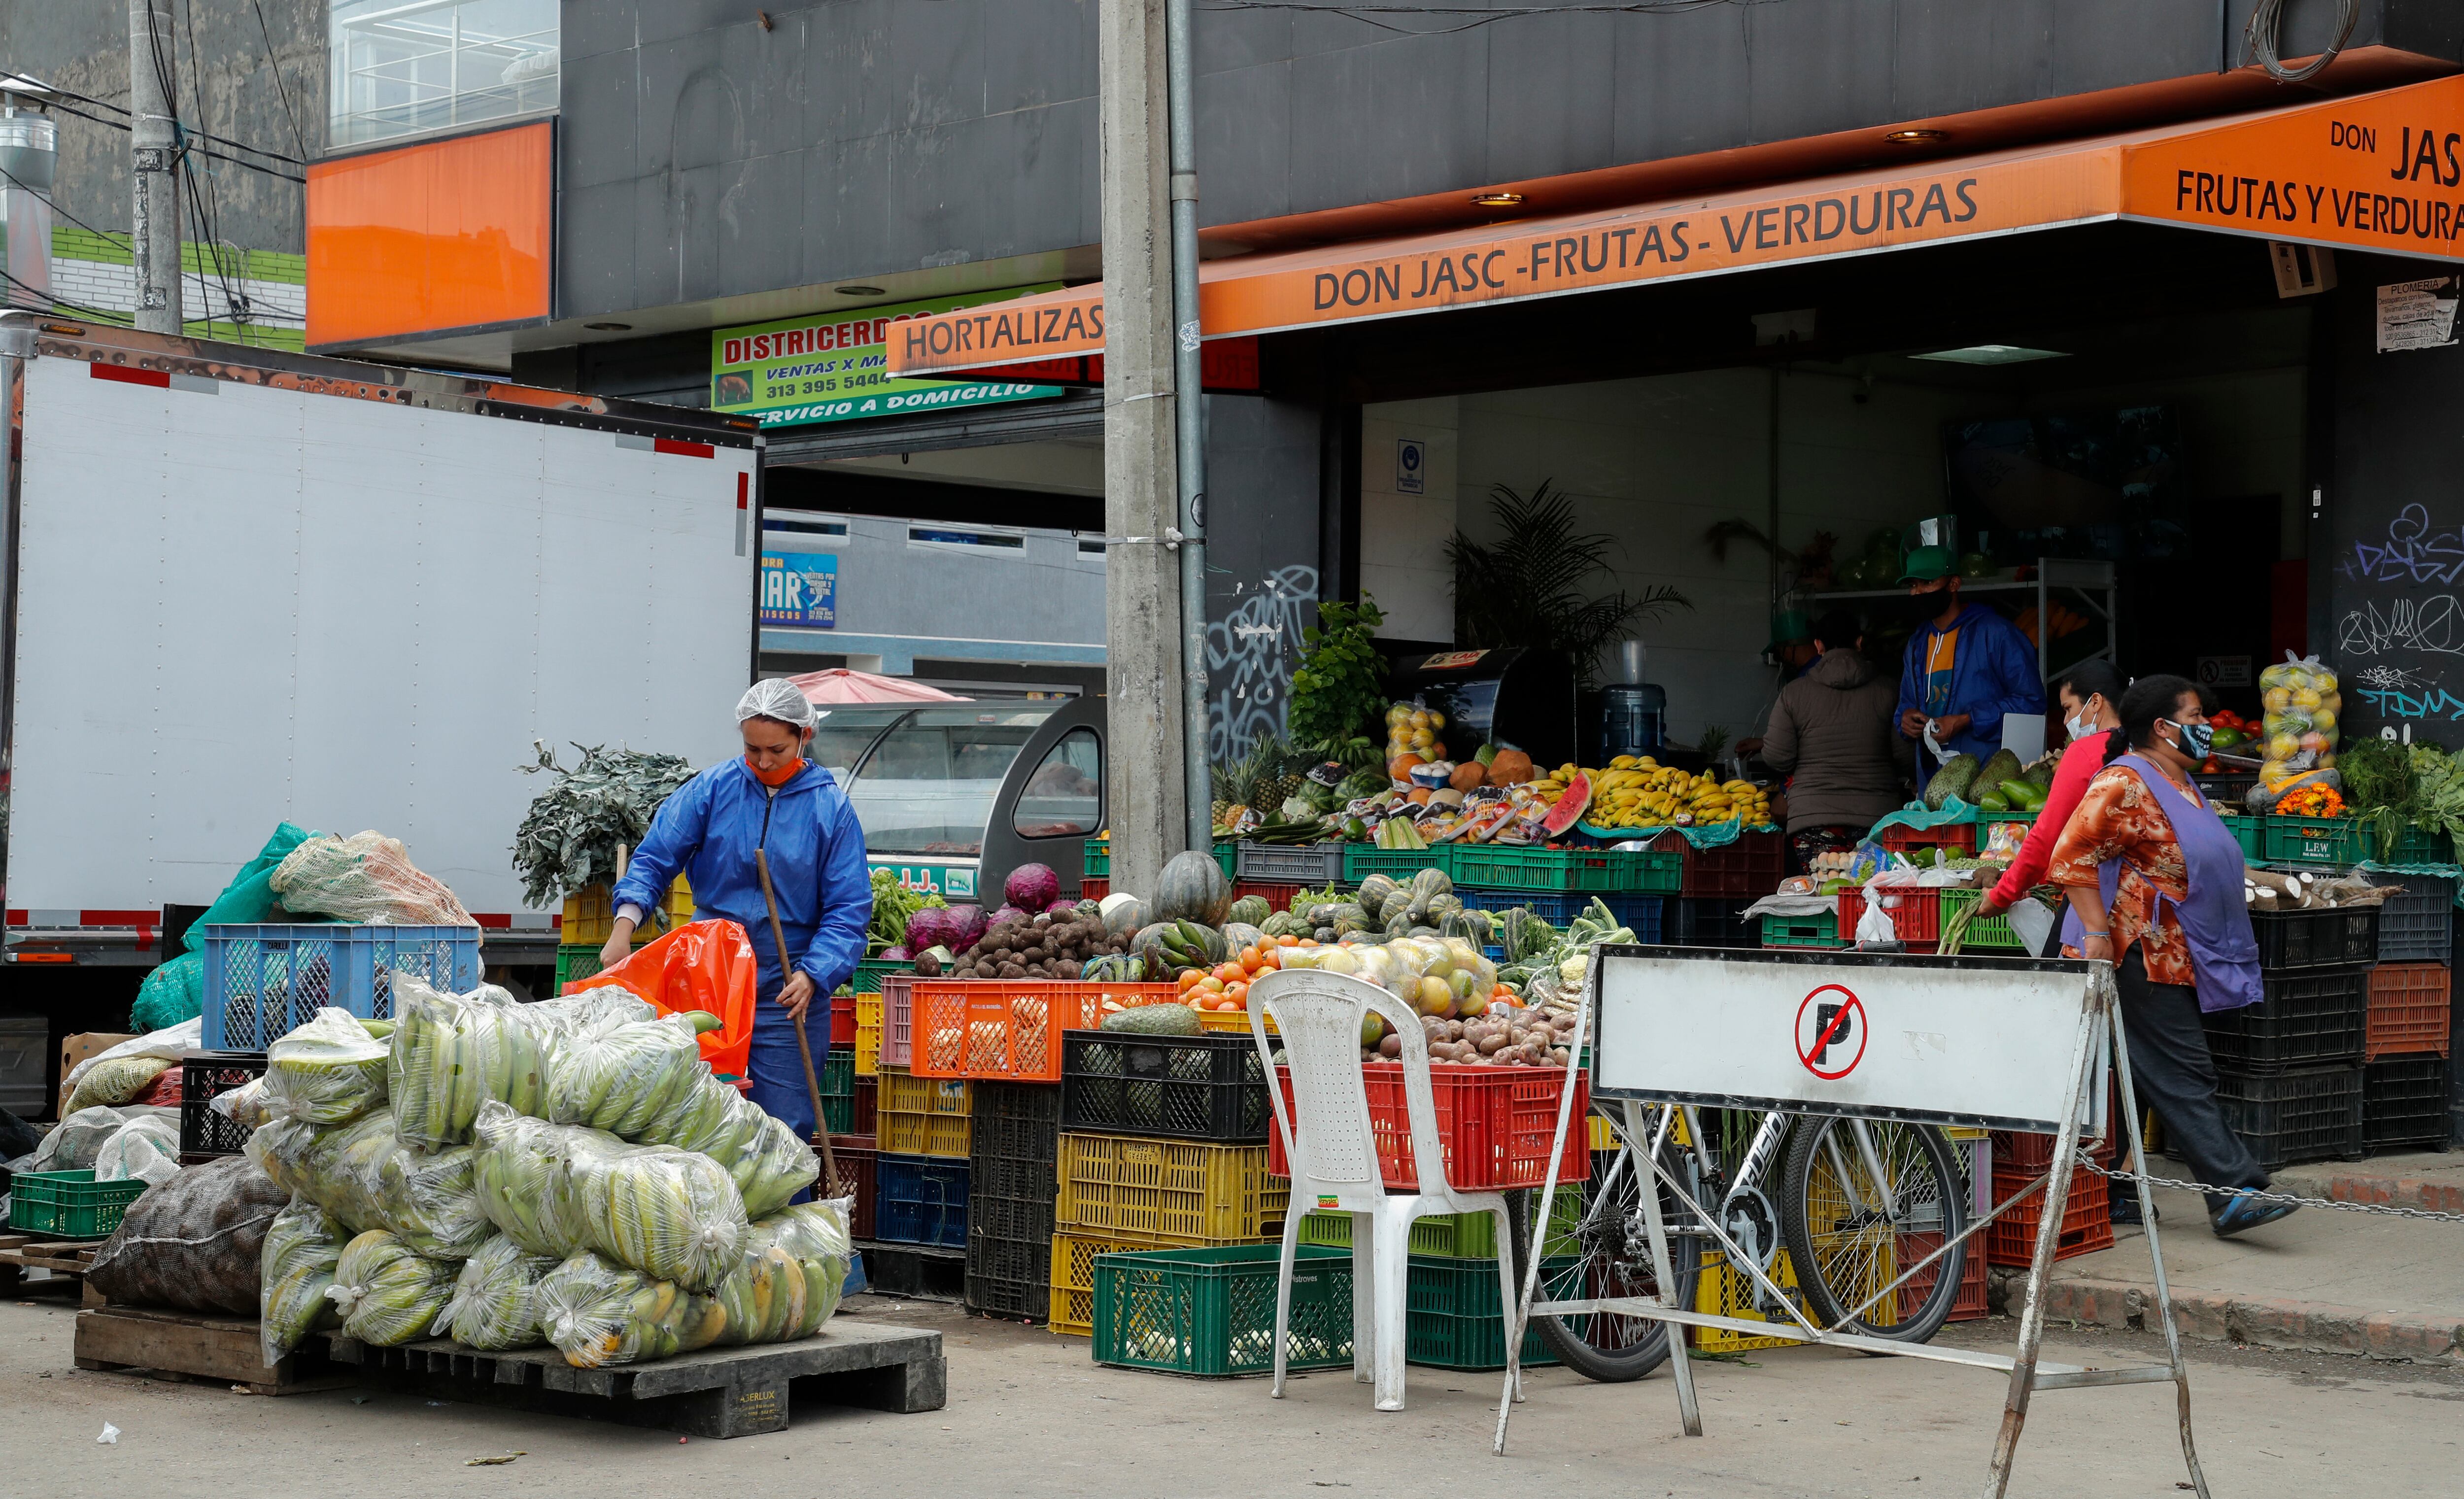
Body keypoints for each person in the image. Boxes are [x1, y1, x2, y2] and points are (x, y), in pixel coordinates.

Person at [2045, 673, 2295, 1239]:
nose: (2206, 727)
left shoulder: (2176, 781)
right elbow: (2068, 856)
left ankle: (2120, 1190)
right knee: (2182, 1070)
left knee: (2142, 1076)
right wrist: (2093, 931)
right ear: (2161, 727)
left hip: (2177, 956)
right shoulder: (2125, 782)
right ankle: (2231, 1193)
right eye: (2196, 717)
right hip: (2136, 954)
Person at [606, 680, 874, 1145]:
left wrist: (815, 974)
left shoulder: (831, 808)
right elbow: (655, 858)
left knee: (783, 1128)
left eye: (777, 749)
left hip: (788, 985)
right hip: (708, 972)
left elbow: (848, 908)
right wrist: (624, 924)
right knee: (690, 1112)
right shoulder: (713, 789)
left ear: (805, 737)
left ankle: (784, 1217)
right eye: (753, 749)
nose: (764, 761)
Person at [1978, 659, 2126, 931]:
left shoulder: (2084, 753)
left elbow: (2046, 837)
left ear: (2095, 702)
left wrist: (2003, 895)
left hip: (2097, 903)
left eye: (2069, 709)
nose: (2067, 721)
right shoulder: (2153, 751)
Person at [1759, 610, 1901, 869]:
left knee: (1822, 890)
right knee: (1873, 895)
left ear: (1818, 646)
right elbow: (1904, 755)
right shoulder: (1889, 690)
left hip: (1814, 819)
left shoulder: (1794, 693)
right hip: (1876, 819)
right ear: (1859, 642)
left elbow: (1778, 757)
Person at [1893, 546, 2045, 786]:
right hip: (1932, 784)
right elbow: (1906, 705)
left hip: (1989, 781)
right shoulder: (1917, 644)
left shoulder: (1997, 634)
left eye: (1928, 582)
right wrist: (1905, 719)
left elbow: (2032, 703)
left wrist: (1966, 720)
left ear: (1954, 584)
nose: (1918, 592)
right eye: (1913, 585)